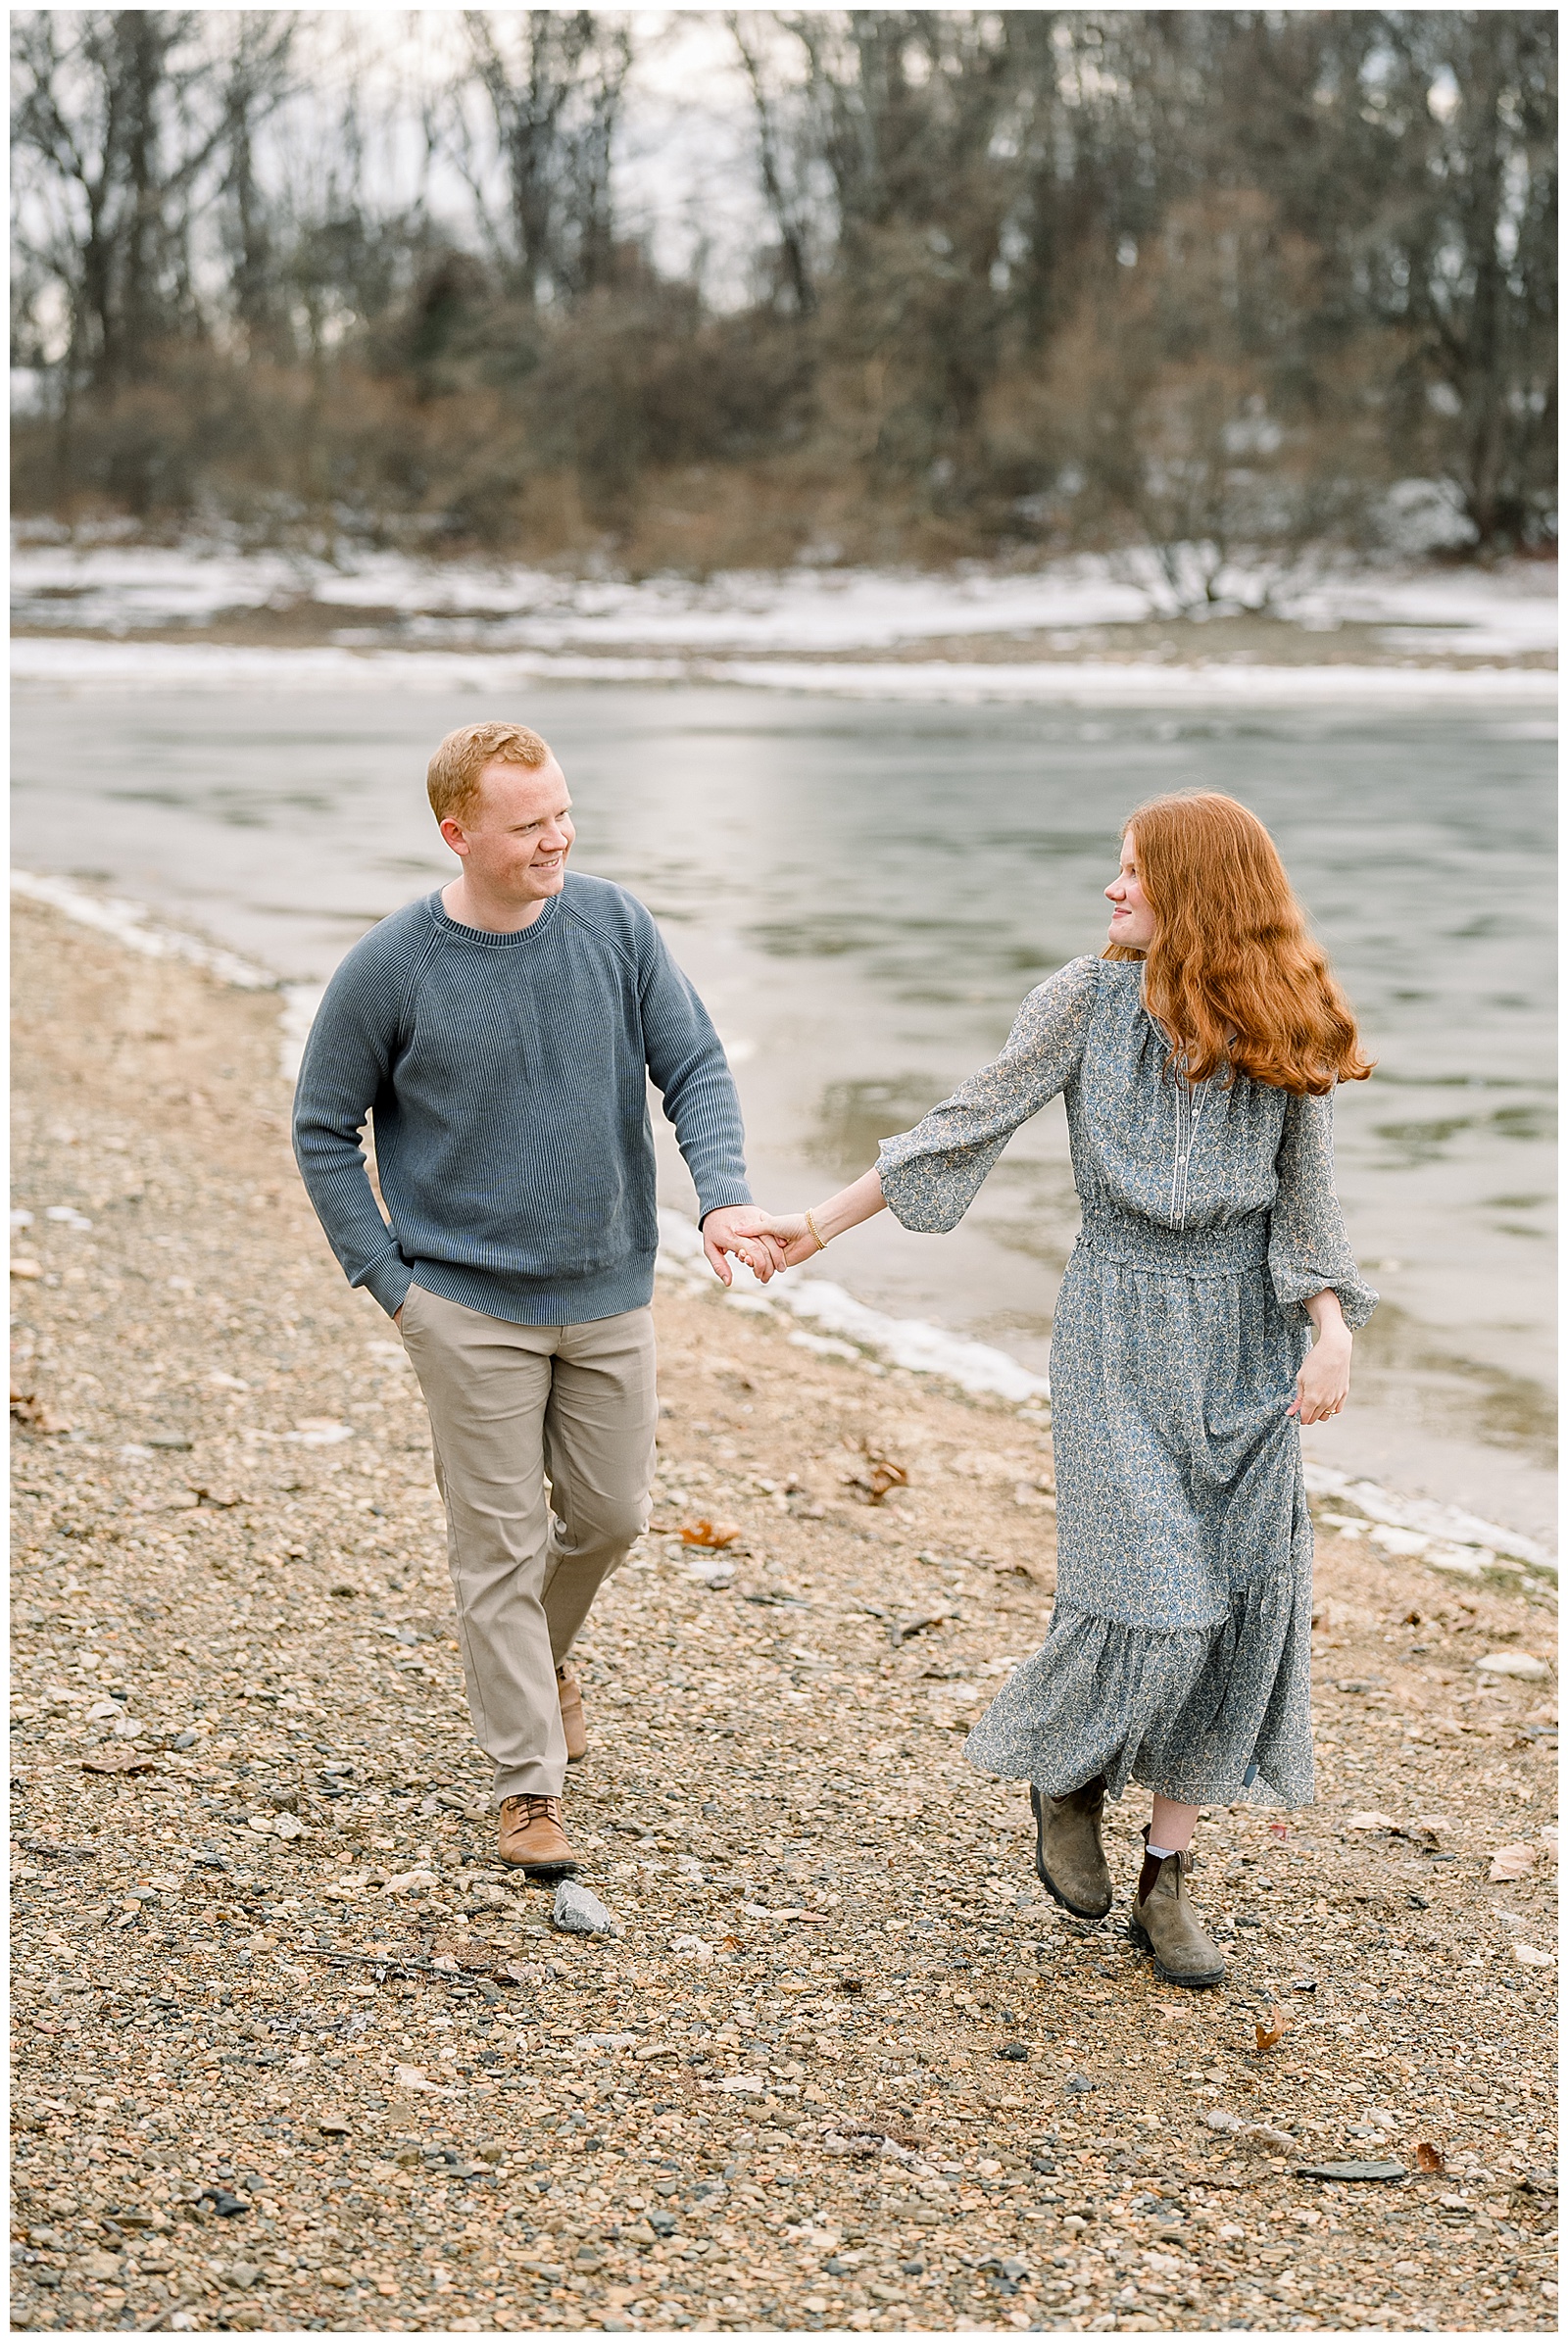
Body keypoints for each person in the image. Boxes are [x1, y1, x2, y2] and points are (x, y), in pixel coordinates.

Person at [722, 792, 1376, 1988]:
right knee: (1153, 1594)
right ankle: (1067, 1770)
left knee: (1239, 1607)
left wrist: (1330, 1330)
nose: (1111, 889)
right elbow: (962, 1125)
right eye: (1115, 870)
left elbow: (1308, 1205)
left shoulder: (1294, 1023)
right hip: (1117, 1328)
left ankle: (1166, 1875)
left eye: (1133, 872)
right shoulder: (1081, 1000)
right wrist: (810, 1227)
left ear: (1198, 890)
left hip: (1245, 1342)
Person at [293, 719, 773, 1879]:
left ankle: (539, 1662)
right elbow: (320, 1127)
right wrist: (392, 1283)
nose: (557, 837)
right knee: (497, 1548)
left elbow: (695, 1066)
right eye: (529, 824)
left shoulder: (613, 923)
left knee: (610, 1518)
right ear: (457, 833)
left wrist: (721, 1199)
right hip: (462, 1304)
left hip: (610, 1289)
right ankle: (526, 1785)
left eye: (562, 812)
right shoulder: (393, 965)